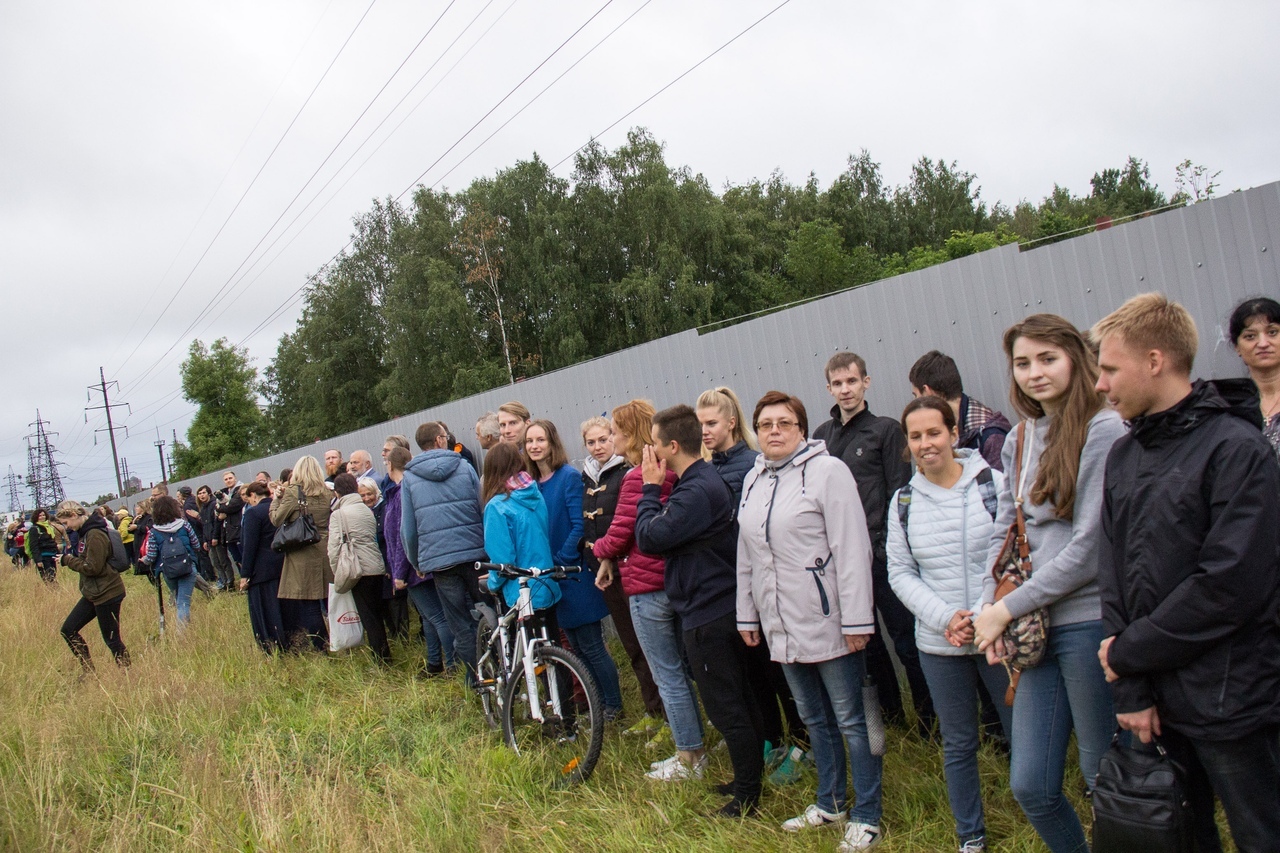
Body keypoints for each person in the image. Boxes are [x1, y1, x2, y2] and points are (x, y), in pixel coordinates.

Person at [1093, 293, 1280, 852]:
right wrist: (1130, 689)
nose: (1100, 384)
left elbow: (1229, 583)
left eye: (1108, 367)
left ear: (1156, 361)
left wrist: (1129, 654)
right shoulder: (1124, 456)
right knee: (1178, 837)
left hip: (1235, 699)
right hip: (1156, 704)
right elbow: (1115, 579)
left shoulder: (1236, 449)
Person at [971, 313, 1126, 853]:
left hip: (1088, 623)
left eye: (1047, 358)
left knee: (1102, 775)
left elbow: (1089, 549)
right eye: (1022, 362)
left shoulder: (1105, 428)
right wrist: (989, 606)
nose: (1034, 372)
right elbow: (1004, 534)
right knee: (1031, 784)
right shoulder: (1020, 436)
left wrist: (1007, 612)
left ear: (1076, 360)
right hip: (1034, 633)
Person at [737, 391, 882, 849]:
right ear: (756, 432)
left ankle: (867, 814)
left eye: (784, 423)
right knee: (813, 719)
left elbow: (853, 548)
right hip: (780, 623)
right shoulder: (754, 479)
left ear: (802, 428)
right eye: (765, 425)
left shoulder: (828, 472)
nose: (774, 431)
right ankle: (831, 802)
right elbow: (747, 554)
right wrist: (748, 613)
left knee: (851, 720)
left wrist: (858, 620)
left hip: (828, 620)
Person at [887, 396, 1011, 853]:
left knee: (1021, 733)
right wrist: (945, 619)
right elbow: (899, 572)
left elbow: (1009, 560)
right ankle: (971, 835)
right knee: (959, 744)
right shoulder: (902, 503)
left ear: (953, 433)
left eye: (933, 433)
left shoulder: (993, 485)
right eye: (916, 436)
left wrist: (983, 614)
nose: (925, 443)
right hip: (939, 644)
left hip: (997, 635)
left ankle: (1038, 808)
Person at [635, 404, 763, 819]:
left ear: (672, 446)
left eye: (654, 442)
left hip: (709, 611)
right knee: (738, 700)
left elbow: (650, 538)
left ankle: (747, 796)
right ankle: (747, 780)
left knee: (727, 706)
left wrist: (650, 489)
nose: (650, 450)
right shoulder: (701, 480)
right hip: (715, 604)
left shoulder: (693, 490)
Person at [813, 352, 934, 737]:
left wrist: (888, 549)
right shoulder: (821, 437)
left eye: (852, 381)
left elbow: (902, 494)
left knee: (906, 641)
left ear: (866, 382)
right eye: (838, 383)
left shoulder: (886, 430)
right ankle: (890, 719)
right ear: (829, 388)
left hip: (882, 555)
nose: (845, 389)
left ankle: (932, 724)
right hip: (843, 562)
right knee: (866, 646)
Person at [698, 385, 809, 783]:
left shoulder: (753, 464)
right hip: (733, 588)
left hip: (768, 586)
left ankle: (803, 743)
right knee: (754, 675)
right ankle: (771, 739)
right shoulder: (708, 468)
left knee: (780, 673)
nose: (705, 431)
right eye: (700, 425)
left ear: (731, 422)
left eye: (711, 423)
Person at [593, 400, 704, 771]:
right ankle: (697, 741)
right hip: (672, 580)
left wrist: (601, 550)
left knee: (666, 671)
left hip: (645, 585)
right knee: (684, 669)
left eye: (616, 432)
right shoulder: (673, 472)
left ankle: (689, 753)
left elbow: (622, 530)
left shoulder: (637, 476)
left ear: (632, 434)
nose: (613, 438)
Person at [525, 418, 624, 720]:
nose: (534, 446)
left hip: (573, 572)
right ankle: (596, 702)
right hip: (549, 575)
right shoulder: (532, 484)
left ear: (552, 443)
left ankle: (614, 705)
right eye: (530, 441)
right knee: (576, 648)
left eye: (540, 440)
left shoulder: (567, 477)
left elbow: (579, 524)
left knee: (592, 644)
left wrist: (561, 560)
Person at [581, 416, 665, 726]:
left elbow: (625, 523)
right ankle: (652, 709)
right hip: (607, 570)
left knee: (650, 646)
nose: (599, 446)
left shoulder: (626, 472)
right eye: (591, 442)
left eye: (604, 438)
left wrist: (607, 553)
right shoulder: (587, 476)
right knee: (631, 644)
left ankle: (666, 713)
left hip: (630, 569)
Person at [401, 421, 486, 678]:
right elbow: (481, 507)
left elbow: (409, 528)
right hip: (475, 555)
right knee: (487, 615)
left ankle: (477, 681)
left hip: (441, 562)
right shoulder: (464, 466)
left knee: (460, 623)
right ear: (439, 440)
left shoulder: (410, 476)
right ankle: (503, 672)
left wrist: (417, 561)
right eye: (445, 436)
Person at [480, 441, 562, 615]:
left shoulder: (497, 506)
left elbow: (503, 557)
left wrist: (492, 583)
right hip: (546, 581)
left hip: (520, 590)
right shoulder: (534, 494)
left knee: (522, 640)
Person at [54, 500, 129, 672]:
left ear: (74, 515)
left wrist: (67, 560)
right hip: (93, 592)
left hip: (107, 592)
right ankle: (88, 671)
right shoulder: (85, 532)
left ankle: (128, 674)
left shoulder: (94, 534)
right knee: (68, 629)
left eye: (66, 523)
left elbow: (92, 567)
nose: (67, 527)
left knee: (112, 639)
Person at [909, 350, 1012, 472]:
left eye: (916, 395)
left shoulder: (989, 435)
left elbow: (1002, 488)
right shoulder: (972, 427)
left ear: (927, 391)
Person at [271, 455, 333, 652]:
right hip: (326, 547)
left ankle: (321, 646)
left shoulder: (292, 493)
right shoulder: (328, 492)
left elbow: (276, 519)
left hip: (302, 552)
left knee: (309, 603)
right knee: (330, 599)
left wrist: (275, 499)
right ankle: (340, 639)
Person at [329, 473, 392, 664]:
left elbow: (333, 548)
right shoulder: (367, 510)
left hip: (357, 568)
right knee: (377, 612)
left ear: (337, 492)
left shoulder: (338, 514)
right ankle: (385, 651)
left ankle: (381, 658)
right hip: (375, 565)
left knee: (368, 617)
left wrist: (337, 572)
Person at [1228, 296, 1280, 458]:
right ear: (1237, 347)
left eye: (1272, 332)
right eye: (1250, 336)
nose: (1263, 343)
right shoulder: (1229, 407)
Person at [238, 480, 285, 653]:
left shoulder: (253, 514)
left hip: (262, 571)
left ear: (253, 495)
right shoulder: (277, 508)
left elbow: (249, 546)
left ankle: (272, 645)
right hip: (283, 565)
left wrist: (245, 574)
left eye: (248, 498)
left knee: (267, 611)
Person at [143, 495, 202, 626]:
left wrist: (144, 560)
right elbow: (196, 545)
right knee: (184, 602)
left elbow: (151, 556)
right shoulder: (184, 525)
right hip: (187, 567)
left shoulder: (153, 531)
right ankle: (183, 632)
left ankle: (184, 629)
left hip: (168, 570)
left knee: (178, 598)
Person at [216, 470, 245, 580]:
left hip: (239, 530)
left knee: (243, 558)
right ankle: (243, 581)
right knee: (237, 559)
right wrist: (221, 508)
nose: (228, 480)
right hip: (229, 532)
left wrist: (221, 508)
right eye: (226, 479)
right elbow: (217, 508)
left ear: (235, 478)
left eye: (230, 478)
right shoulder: (224, 492)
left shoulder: (240, 490)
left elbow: (232, 506)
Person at [26, 508, 60, 583]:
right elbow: (33, 546)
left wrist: (57, 554)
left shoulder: (49, 527)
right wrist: (38, 560)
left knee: (53, 575)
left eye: (44, 515)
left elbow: (53, 542)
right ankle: (53, 592)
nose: (42, 517)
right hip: (43, 556)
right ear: (36, 517)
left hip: (52, 555)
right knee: (48, 578)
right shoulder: (34, 529)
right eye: (40, 516)